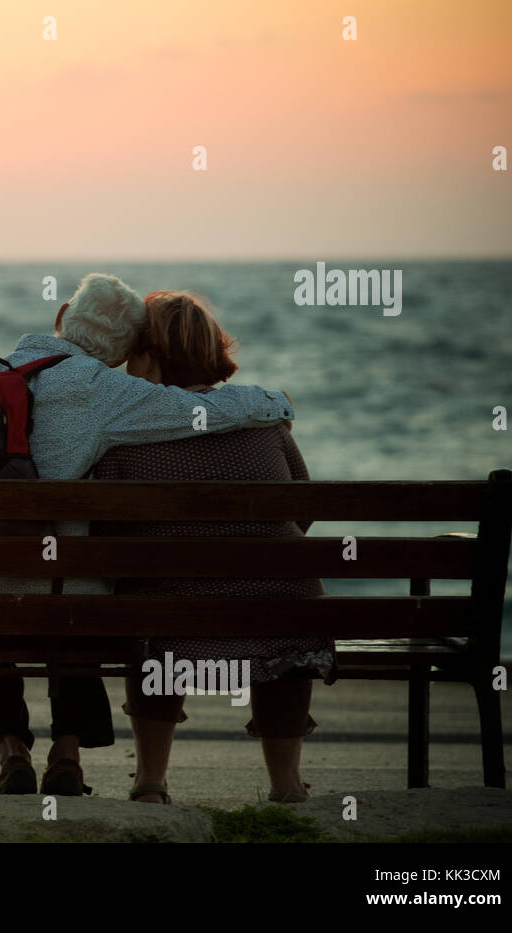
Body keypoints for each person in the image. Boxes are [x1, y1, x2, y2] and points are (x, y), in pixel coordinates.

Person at [0, 274, 296, 796]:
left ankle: (10, 749)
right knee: (83, 600)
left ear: (63, 313)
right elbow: (198, 410)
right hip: (64, 604)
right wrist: (272, 403)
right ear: (123, 351)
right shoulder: (103, 389)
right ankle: (66, 751)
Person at [91, 290, 334, 805]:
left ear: (151, 358)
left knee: (149, 613)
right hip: (281, 614)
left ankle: (151, 781)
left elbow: (104, 531)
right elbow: (302, 509)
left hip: (170, 618)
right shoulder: (263, 423)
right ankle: (286, 785)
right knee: (288, 605)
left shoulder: (129, 434)